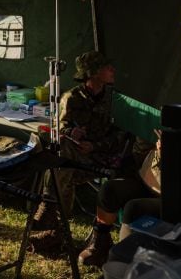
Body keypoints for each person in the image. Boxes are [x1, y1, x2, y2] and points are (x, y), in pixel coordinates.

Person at [29, 51, 133, 256]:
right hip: (76, 156)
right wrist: (70, 132)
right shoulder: (72, 98)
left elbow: (122, 136)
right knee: (60, 152)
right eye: (107, 67)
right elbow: (61, 128)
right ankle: (55, 229)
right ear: (93, 73)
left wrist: (95, 146)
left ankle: (52, 219)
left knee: (61, 166)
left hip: (103, 156)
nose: (112, 70)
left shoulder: (115, 100)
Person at [77, 133, 162, 267]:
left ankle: (123, 263)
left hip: (173, 195)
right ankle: (101, 244)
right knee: (109, 190)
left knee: (134, 208)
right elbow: (139, 157)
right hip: (147, 180)